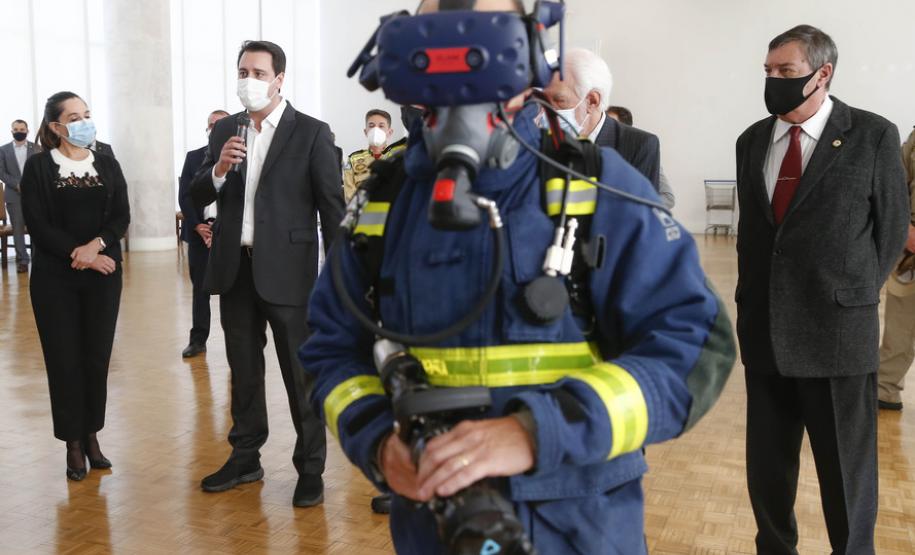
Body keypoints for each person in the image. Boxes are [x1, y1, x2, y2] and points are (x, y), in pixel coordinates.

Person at [299, 0, 735, 552]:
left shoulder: (597, 189)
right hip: (436, 524)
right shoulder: (382, 204)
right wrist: (379, 444)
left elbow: (696, 348)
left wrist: (538, 431)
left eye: (482, 42)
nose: (459, 64)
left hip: (580, 526)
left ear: (533, 51)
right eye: (434, 39)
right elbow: (328, 348)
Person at [735, 25, 908, 554]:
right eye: (768, 71)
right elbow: (757, 234)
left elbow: (892, 229)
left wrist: (853, 293)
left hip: (836, 336)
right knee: (768, 472)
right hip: (764, 332)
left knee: (846, 477)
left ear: (822, 74)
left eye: (786, 72)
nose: (773, 81)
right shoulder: (751, 140)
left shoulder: (873, 136)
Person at [191, 40, 345, 507]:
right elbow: (197, 191)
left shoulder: (312, 134)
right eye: (243, 71)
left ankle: (311, 467)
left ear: (279, 79)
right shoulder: (226, 132)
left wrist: (340, 280)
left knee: (301, 375)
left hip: (290, 275)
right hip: (234, 270)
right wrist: (218, 170)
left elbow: (332, 210)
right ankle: (245, 456)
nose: (248, 80)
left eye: (258, 72)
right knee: (243, 369)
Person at [20, 91, 130, 481]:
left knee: (96, 359)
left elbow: (120, 216)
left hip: (103, 276)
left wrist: (97, 247)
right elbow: (37, 223)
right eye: (74, 116)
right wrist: (80, 253)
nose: (84, 122)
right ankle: (72, 444)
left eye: (87, 114)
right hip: (56, 281)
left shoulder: (108, 163)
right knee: (64, 361)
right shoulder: (38, 168)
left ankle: (92, 434)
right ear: (56, 126)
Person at [543, 48, 663, 197]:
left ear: (592, 101)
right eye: (543, 100)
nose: (546, 110)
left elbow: (641, 214)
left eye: (559, 101)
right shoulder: (541, 142)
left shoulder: (639, 146)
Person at [177, 109, 229, 358]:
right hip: (200, 231)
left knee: (233, 290)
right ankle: (198, 339)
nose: (214, 128)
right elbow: (185, 195)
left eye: (220, 124)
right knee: (201, 289)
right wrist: (197, 225)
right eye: (211, 125)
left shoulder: (243, 156)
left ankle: (236, 341)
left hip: (230, 234)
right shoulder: (193, 157)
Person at [876, 125, 915, 411]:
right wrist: (906, 230)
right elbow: (896, 183)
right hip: (910, 251)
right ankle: (884, 390)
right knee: (899, 325)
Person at [606, 106, 676, 208]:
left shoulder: (644, 156)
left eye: (611, 124)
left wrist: (635, 206)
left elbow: (668, 198)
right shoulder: (595, 153)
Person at [0, 119, 40, 273]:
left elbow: (41, 170)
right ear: (11, 131)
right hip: (13, 194)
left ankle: (38, 258)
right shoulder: (3, 150)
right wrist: (17, 184)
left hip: (35, 195)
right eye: (16, 129)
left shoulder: (37, 148)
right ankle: (22, 260)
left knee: (37, 227)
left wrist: (30, 184)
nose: (19, 131)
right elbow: (1, 172)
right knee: (17, 228)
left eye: (22, 129)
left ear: (27, 131)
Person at [342, 109, 407, 201]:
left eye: (381, 126)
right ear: (366, 132)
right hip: (361, 212)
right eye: (371, 126)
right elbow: (349, 195)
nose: (376, 130)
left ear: (390, 132)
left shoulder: (398, 157)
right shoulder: (353, 159)